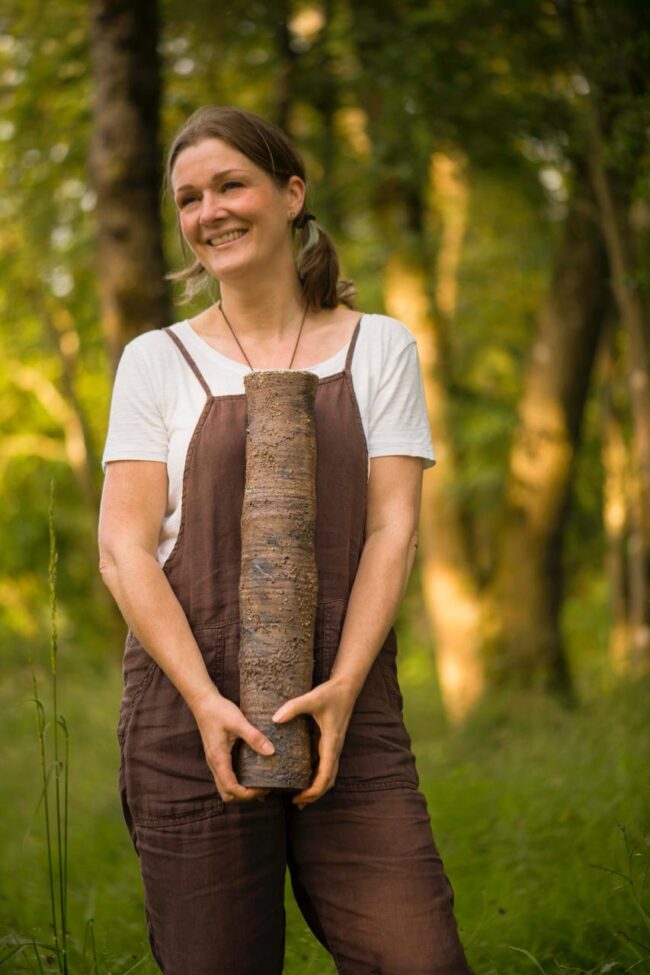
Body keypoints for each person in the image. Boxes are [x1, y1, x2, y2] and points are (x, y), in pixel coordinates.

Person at [98, 105, 474, 975]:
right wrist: (203, 701)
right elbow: (124, 548)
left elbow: (392, 528)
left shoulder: (379, 346)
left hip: (349, 698)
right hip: (189, 715)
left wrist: (342, 687)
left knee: (418, 957)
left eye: (232, 184)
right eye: (189, 198)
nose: (210, 212)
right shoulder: (156, 360)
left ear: (291, 192)